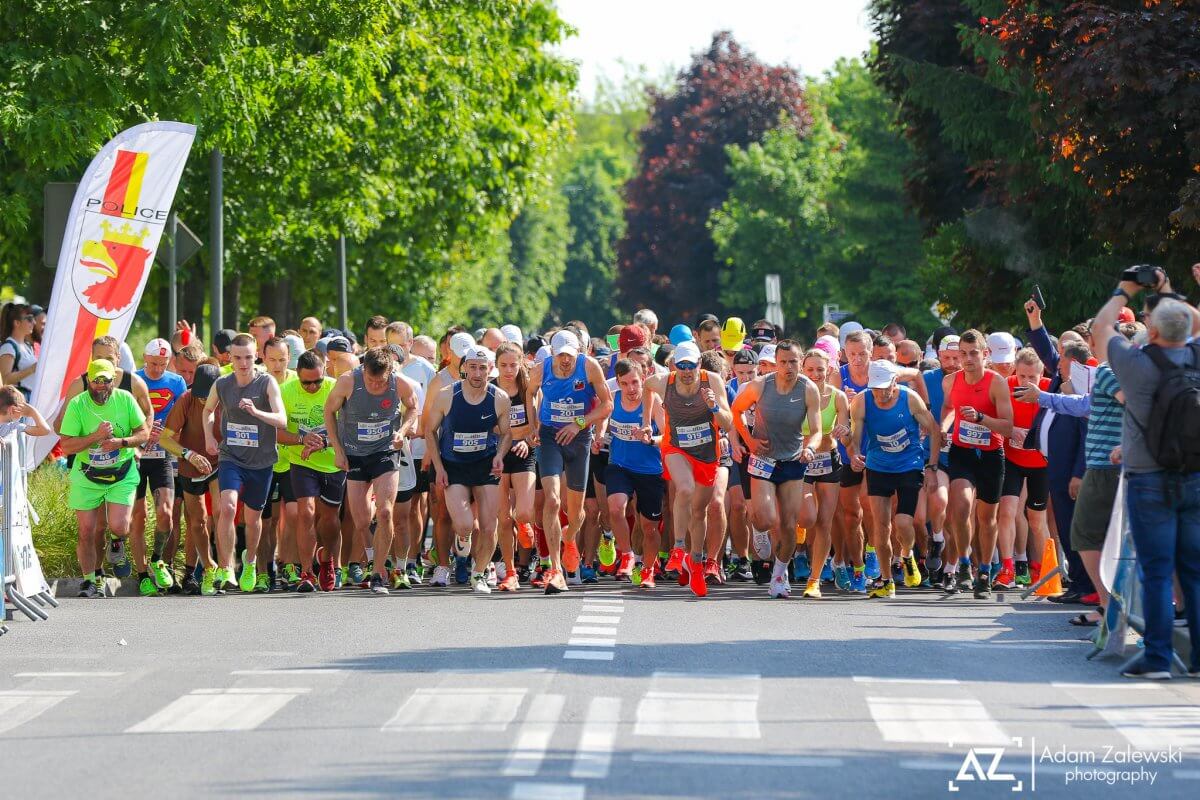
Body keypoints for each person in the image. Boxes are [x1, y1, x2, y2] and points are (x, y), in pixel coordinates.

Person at [1096, 268, 1200, 680]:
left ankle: (1157, 659)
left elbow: (1102, 327)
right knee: (1194, 571)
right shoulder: (1196, 356)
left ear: (1151, 331)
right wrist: (1167, 290)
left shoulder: (1136, 363)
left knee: (1156, 572)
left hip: (1148, 478)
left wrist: (1125, 289)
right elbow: (1192, 322)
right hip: (1194, 476)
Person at [730, 341, 822, 599]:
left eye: (793, 362)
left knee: (790, 525)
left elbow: (816, 431)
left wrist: (810, 448)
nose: (788, 367)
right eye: (783, 362)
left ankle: (779, 575)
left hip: (792, 460)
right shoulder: (760, 385)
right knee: (766, 520)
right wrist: (749, 441)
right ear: (776, 364)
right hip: (763, 458)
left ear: (800, 362)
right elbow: (736, 410)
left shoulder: (808, 389)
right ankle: (758, 528)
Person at [325, 346, 419, 594]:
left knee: (386, 512)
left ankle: (378, 573)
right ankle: (372, 556)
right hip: (355, 453)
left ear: (390, 372)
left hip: (385, 451)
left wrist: (402, 431)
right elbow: (329, 411)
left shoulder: (400, 383)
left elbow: (413, 407)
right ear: (363, 369)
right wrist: (338, 449)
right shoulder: (348, 381)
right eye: (370, 380)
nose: (376, 385)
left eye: (381, 381)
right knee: (361, 520)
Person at [526, 330, 613, 594]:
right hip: (550, 436)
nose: (566, 360)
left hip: (579, 437)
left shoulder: (589, 367)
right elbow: (530, 394)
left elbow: (607, 405)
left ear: (579, 352)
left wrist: (579, 424)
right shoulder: (541, 370)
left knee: (575, 513)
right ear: (553, 353)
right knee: (552, 500)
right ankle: (555, 570)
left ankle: (570, 537)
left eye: (570, 355)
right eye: (561, 355)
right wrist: (533, 425)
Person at [644, 340, 733, 598]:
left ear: (699, 364)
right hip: (676, 448)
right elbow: (646, 387)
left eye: (690, 366)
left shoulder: (712, 381)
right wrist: (647, 421)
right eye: (681, 366)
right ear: (674, 365)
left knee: (699, 511)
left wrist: (714, 406)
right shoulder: (664, 382)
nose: (686, 371)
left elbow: (728, 423)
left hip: (706, 453)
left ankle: (695, 562)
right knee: (684, 488)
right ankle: (678, 548)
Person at [847, 360, 942, 598]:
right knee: (881, 527)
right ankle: (887, 580)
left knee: (903, 523)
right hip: (878, 466)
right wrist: (854, 454)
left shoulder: (910, 398)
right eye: (875, 388)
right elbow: (855, 438)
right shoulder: (861, 401)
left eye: (884, 388)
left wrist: (932, 467)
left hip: (909, 465)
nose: (880, 394)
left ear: (894, 381)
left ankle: (907, 555)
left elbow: (934, 430)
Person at [202, 334, 287, 593]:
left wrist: (256, 411)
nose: (243, 363)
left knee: (253, 518)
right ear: (230, 357)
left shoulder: (266, 382)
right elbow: (207, 410)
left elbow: (282, 420)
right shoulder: (222, 383)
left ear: (257, 356)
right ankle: (226, 566)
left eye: (248, 357)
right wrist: (209, 437)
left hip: (261, 461)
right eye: (238, 358)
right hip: (231, 457)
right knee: (227, 506)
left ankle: (249, 562)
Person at [58, 359, 150, 598]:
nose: (100, 385)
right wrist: (95, 436)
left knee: (120, 525)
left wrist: (121, 442)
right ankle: (90, 581)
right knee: (86, 531)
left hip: (121, 473)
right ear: (89, 380)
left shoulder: (125, 399)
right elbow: (66, 446)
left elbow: (144, 432)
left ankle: (116, 540)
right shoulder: (78, 404)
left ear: (113, 381)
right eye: (96, 380)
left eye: (105, 380)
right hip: (87, 475)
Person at [424, 345, 511, 594]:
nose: (477, 373)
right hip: (454, 465)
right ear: (464, 368)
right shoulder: (447, 395)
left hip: (485, 465)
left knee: (489, 525)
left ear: (490, 370)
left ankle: (479, 573)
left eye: (482, 368)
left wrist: (500, 456)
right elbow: (430, 431)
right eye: (472, 367)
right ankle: (463, 538)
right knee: (463, 525)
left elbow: (507, 434)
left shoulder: (499, 398)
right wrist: (439, 467)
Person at [942, 330, 1015, 598]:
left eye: (974, 353)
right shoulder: (951, 381)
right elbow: (948, 408)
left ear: (985, 354)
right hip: (962, 451)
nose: (968, 359)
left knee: (987, 518)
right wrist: (943, 427)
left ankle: (984, 571)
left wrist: (981, 418)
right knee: (960, 507)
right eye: (963, 353)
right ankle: (964, 563)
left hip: (991, 455)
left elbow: (1008, 427)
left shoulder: (997, 383)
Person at [276, 350, 344, 593]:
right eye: (307, 382)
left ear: (324, 371)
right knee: (305, 512)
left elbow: (348, 428)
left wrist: (324, 442)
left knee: (330, 520)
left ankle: (327, 561)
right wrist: (301, 439)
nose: (313, 386)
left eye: (318, 380)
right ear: (298, 375)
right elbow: (275, 432)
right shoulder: (285, 391)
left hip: (333, 462)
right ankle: (306, 572)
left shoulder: (336, 388)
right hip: (301, 461)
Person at [131, 338, 188, 596]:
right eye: (153, 363)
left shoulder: (176, 382)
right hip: (136, 454)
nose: (157, 369)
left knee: (166, 513)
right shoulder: (134, 380)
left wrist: (167, 434)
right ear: (145, 358)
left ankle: (157, 559)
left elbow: (183, 419)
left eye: (163, 364)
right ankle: (142, 575)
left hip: (163, 453)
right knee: (138, 517)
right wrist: (142, 433)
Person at [160, 364, 222, 595]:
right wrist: (189, 454)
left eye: (209, 397)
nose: (204, 401)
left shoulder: (228, 398)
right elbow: (164, 439)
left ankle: (224, 568)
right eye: (201, 396)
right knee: (198, 521)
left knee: (222, 513)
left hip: (220, 462)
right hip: (192, 465)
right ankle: (207, 567)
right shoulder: (186, 400)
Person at [605, 358, 667, 588]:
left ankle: (648, 570)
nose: (630, 388)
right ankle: (627, 554)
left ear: (643, 379)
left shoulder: (654, 400)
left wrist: (651, 440)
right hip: (619, 465)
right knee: (615, 507)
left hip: (649, 470)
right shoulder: (613, 399)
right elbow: (601, 422)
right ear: (618, 383)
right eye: (624, 383)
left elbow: (668, 437)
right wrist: (599, 437)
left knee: (649, 527)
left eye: (634, 382)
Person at [996, 348, 1050, 590]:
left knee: (1037, 519)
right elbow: (993, 418)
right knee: (1007, 511)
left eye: (1032, 377)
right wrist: (1010, 430)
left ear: (1042, 374)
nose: (1026, 382)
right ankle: (1007, 568)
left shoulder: (1050, 388)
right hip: (1012, 459)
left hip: (1042, 463)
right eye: (1022, 376)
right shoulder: (1005, 385)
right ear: (1015, 372)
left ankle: (1043, 571)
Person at [493, 341, 536, 591]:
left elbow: (538, 424)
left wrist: (527, 442)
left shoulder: (528, 388)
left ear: (521, 363)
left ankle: (525, 527)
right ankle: (510, 571)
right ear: (496, 365)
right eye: (503, 365)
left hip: (524, 451)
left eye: (513, 364)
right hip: (498, 454)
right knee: (503, 518)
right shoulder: (490, 389)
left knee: (524, 512)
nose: (509, 370)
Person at [0, 302, 38, 396]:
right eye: (29, 319)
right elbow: (4, 380)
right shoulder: (8, 347)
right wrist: (31, 369)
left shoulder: (28, 347)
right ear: (17, 323)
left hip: (29, 397)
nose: (34, 322)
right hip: (18, 399)